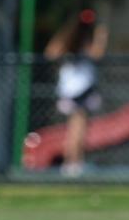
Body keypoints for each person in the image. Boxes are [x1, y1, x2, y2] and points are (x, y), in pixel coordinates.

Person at [45, 9, 108, 177]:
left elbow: (50, 52)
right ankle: (73, 164)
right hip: (80, 91)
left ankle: (73, 163)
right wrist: (101, 36)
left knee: (75, 130)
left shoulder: (71, 40)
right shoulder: (79, 41)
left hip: (71, 91)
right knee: (77, 130)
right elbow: (97, 54)